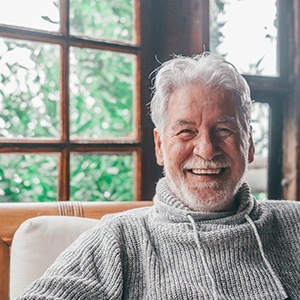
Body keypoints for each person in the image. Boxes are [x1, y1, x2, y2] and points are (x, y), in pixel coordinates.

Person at [17, 52, 300, 300]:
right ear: (160, 146)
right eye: (186, 131)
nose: (206, 150)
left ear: (249, 144)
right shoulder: (118, 240)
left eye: (224, 130)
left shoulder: (294, 223)